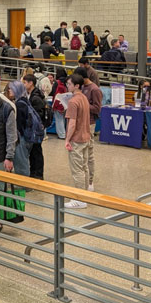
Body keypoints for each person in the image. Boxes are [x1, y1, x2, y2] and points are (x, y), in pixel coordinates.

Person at [64, 72, 91, 208]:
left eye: (69, 84)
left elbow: (72, 123)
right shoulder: (84, 98)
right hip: (86, 137)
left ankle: (80, 199)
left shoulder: (73, 101)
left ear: (76, 85)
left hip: (77, 139)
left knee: (77, 170)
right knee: (84, 167)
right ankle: (85, 195)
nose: (67, 86)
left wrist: (67, 139)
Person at [77, 67, 101, 191]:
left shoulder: (94, 89)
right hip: (80, 122)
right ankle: (83, 179)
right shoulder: (81, 88)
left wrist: (84, 105)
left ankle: (91, 180)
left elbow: (97, 108)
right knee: (81, 154)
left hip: (90, 123)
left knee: (89, 153)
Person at [8, 81, 37, 177]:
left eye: (11, 89)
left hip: (22, 138)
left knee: (21, 163)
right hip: (28, 137)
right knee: (24, 160)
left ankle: (24, 186)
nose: (9, 91)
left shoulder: (19, 104)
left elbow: (19, 125)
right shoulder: (25, 100)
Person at [22, 74, 46, 179]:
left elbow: (37, 115)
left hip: (35, 130)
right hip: (35, 129)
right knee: (34, 152)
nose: (23, 85)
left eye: (25, 83)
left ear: (31, 83)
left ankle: (38, 173)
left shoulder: (35, 97)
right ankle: (34, 172)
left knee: (36, 152)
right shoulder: (32, 95)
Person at [51, 68, 68, 139]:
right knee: (64, 118)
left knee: (59, 119)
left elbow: (52, 92)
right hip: (66, 101)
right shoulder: (68, 81)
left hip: (58, 102)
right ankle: (66, 133)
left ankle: (62, 134)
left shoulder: (57, 82)